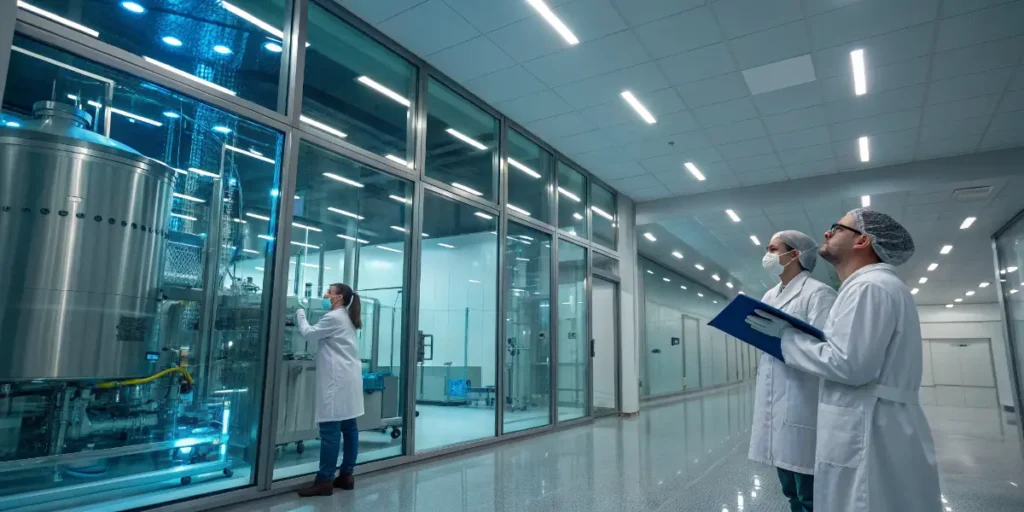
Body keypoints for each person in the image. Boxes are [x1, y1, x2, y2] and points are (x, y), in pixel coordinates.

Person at [745, 208, 941, 512]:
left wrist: (785, 337)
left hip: (869, 421)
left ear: (862, 240)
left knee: (856, 499)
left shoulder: (868, 287)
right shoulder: (866, 286)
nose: (826, 233)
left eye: (837, 228)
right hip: (865, 416)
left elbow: (848, 364)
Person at [748, 231, 837, 512]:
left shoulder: (819, 293)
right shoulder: (769, 295)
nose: (767, 255)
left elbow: (826, 352)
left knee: (809, 492)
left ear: (794, 254)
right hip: (774, 397)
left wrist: (787, 336)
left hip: (804, 398)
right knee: (790, 490)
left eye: (773, 249)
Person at [296, 283, 365, 497]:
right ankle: (346, 475)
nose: (326, 295)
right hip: (349, 379)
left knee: (330, 432)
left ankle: (325, 480)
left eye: (329, 292)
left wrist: (299, 312)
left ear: (339, 297)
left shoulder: (334, 317)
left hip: (337, 381)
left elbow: (308, 333)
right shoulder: (347, 318)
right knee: (350, 428)